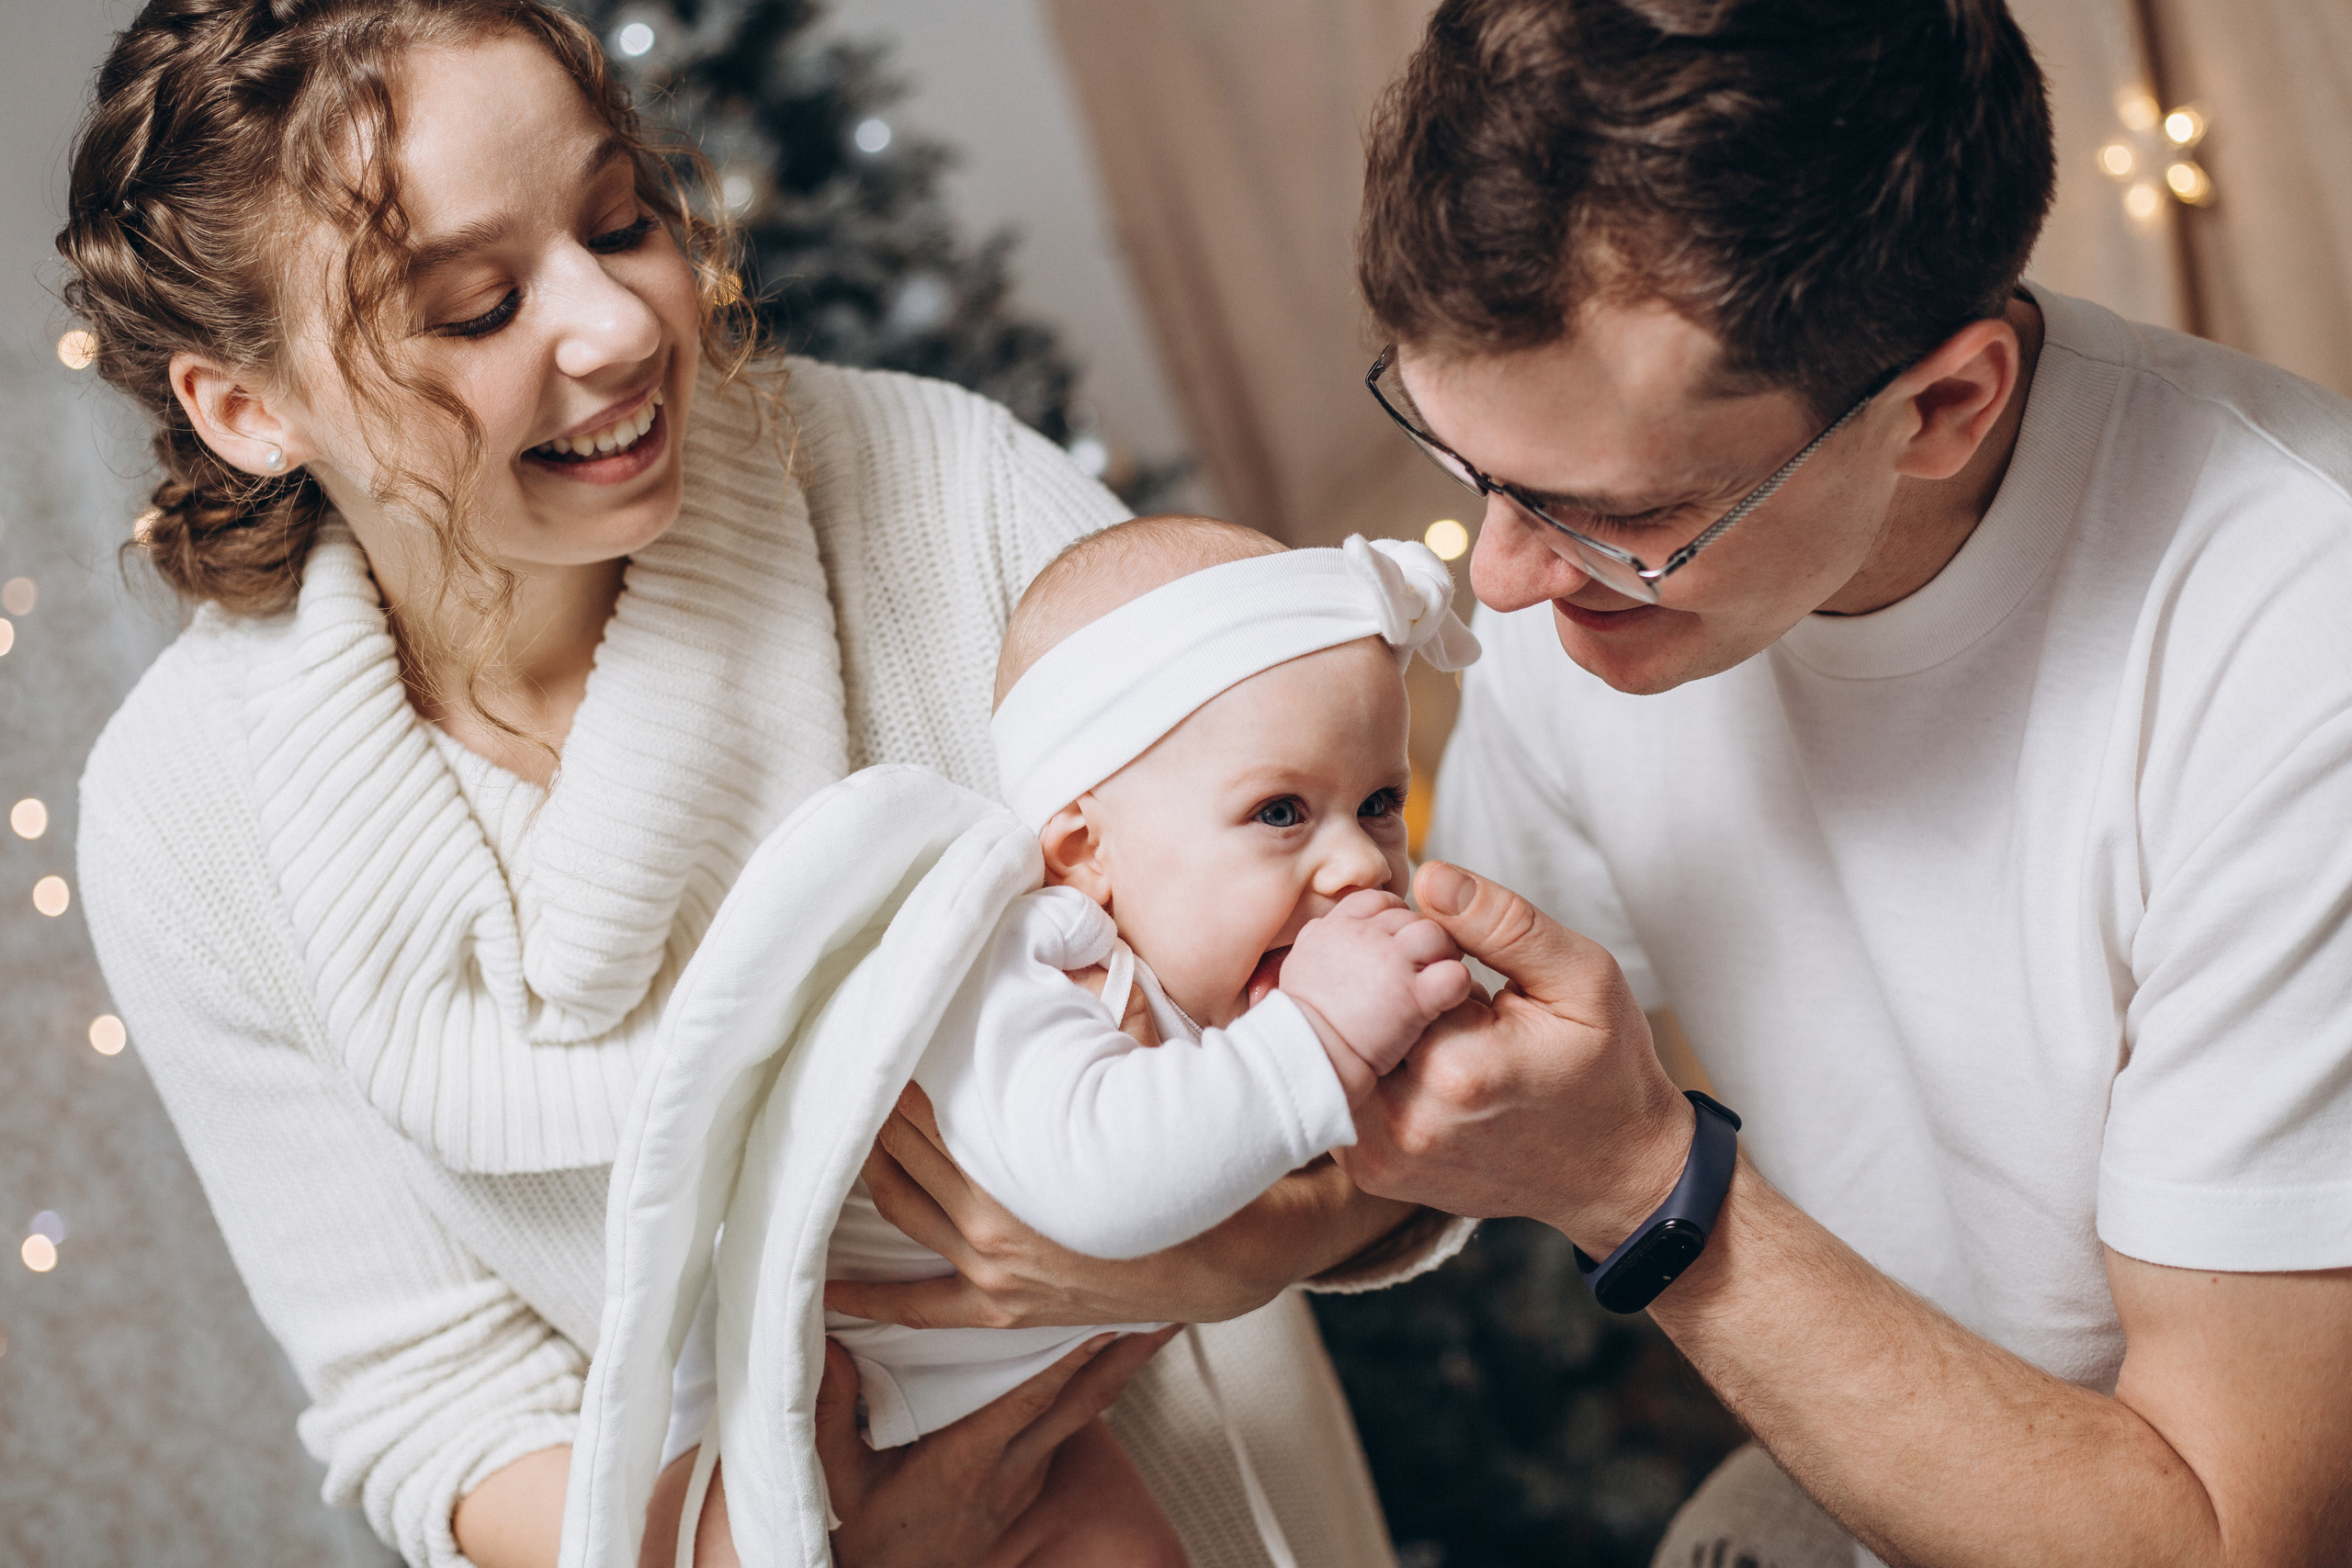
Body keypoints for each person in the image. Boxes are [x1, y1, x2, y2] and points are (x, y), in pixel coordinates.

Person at [61, 4, 1449, 1565]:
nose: (620, 326)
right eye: (476, 306)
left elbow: (1390, 985)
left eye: (620, 218)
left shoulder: (939, 490)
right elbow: (426, 1396)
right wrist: (832, 1545)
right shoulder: (187, 821)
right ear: (247, 409)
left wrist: (1228, 1252)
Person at [1327, 1, 2348, 1564]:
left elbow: (2226, 1535)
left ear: (1944, 405)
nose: (1512, 580)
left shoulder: (2297, 650)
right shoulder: (1585, 568)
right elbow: (1433, 1096)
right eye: (1475, 474)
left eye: (1619, 511)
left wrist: (1647, 1187)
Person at [638, 516, 1480, 1566]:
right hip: (804, 1428)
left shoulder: (1216, 987)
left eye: (1378, 803)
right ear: (1084, 849)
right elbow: (1103, 1182)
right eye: (1280, 811)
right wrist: (1319, 1042)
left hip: (1017, 1426)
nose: (1358, 863)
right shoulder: (1019, 966)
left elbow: (1436, 1142)